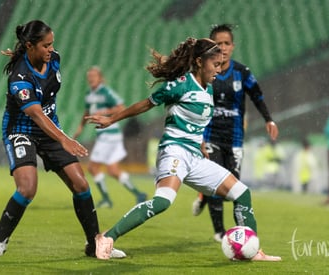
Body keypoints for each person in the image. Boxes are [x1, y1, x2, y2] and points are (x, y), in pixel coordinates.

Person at [86, 37, 281, 261]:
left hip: (195, 157)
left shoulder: (207, 88)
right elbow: (146, 103)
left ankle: (253, 250)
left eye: (220, 65)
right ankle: (107, 238)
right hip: (174, 151)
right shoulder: (179, 84)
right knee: (163, 201)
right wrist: (112, 119)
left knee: (242, 193)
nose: (218, 70)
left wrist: (200, 143)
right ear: (199, 61)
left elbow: (194, 122)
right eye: (215, 65)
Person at [0, 20, 125, 259]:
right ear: (30, 46)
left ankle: (94, 246)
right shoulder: (20, 77)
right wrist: (64, 139)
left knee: (81, 185)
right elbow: (36, 114)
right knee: (27, 188)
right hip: (22, 130)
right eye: (46, 45)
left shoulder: (53, 59)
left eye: (52, 44)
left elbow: (46, 102)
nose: (51, 49)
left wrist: (60, 136)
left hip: (50, 130)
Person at [191, 24, 279, 242]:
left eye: (226, 43)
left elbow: (257, 96)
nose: (222, 47)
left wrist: (268, 119)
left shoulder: (242, 72)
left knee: (234, 188)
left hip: (235, 138)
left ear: (233, 46)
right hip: (210, 136)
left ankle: (204, 197)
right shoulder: (204, 72)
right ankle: (221, 233)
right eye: (217, 44)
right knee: (216, 182)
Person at [73, 66, 147, 208]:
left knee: (93, 168)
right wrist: (80, 127)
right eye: (89, 77)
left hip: (109, 134)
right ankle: (139, 194)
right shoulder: (89, 94)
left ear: (100, 77)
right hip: (109, 136)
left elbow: (121, 107)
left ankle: (106, 200)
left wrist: (104, 111)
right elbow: (87, 112)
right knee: (113, 170)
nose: (91, 79)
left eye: (94, 76)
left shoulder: (106, 92)